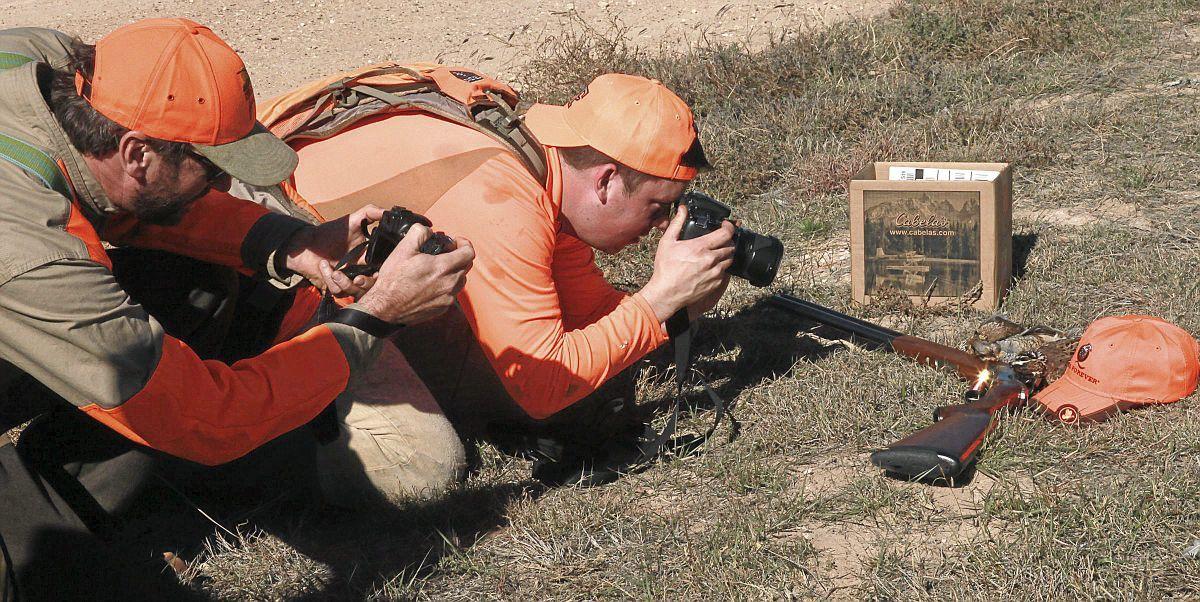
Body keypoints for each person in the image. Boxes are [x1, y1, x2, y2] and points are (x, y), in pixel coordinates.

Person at [0, 20, 473, 596]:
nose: (224, 182)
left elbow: (111, 190)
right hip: (18, 273)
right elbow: (205, 416)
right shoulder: (33, 251)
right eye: (214, 167)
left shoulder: (51, 66)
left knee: (196, 288)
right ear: (137, 152)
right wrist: (372, 320)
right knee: (68, 579)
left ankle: (58, 490)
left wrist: (284, 241)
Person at [270, 71, 735, 483]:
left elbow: (593, 316)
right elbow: (544, 387)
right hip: (280, 305)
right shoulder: (504, 198)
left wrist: (681, 304)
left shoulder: (537, 162)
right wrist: (656, 303)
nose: (659, 226)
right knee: (422, 466)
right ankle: (250, 457)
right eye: (657, 209)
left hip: (330, 274)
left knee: (517, 356)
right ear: (606, 180)